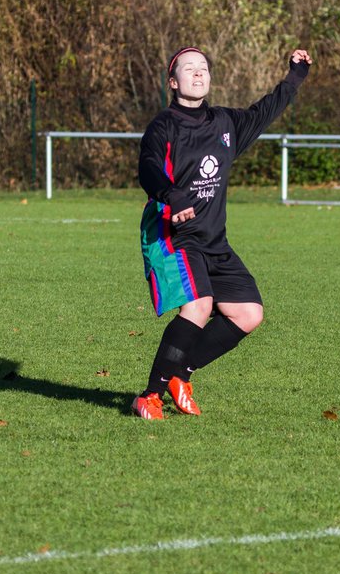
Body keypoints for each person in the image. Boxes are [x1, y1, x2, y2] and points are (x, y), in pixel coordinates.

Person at [132, 46, 311, 419]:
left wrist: (294, 77)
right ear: (173, 81)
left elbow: (264, 112)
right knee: (198, 306)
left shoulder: (225, 124)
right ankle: (149, 396)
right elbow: (149, 167)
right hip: (172, 234)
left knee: (248, 313)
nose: (198, 74)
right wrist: (173, 195)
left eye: (203, 69)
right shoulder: (164, 126)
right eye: (188, 69)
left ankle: (179, 375)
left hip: (213, 239)